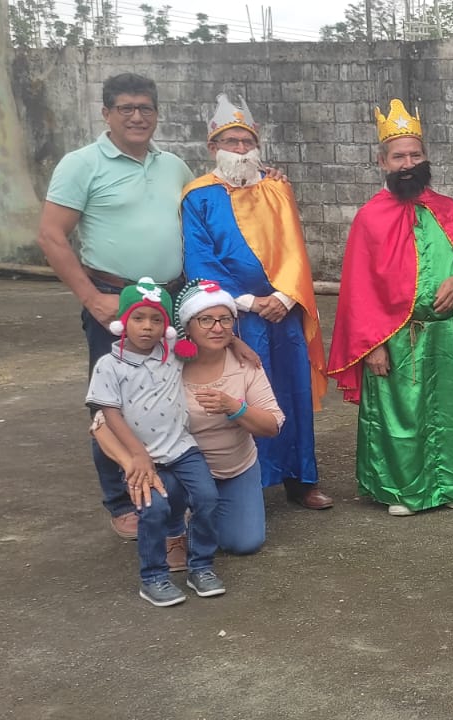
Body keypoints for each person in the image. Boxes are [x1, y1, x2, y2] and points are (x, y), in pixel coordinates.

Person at [37, 73, 197, 539]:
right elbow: (51, 235)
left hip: (171, 298)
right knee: (113, 402)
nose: (137, 117)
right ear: (106, 113)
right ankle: (123, 500)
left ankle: (175, 490)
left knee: (171, 394)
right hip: (114, 301)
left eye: (146, 108)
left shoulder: (174, 166)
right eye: (126, 108)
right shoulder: (81, 164)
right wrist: (91, 297)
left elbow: (210, 206)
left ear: (157, 114)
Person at [327, 99, 453, 515]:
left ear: (426, 157)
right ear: (382, 161)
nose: (408, 163)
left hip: (447, 335)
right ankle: (404, 492)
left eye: (415, 155)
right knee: (403, 419)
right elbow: (358, 291)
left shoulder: (447, 209)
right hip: (396, 338)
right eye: (399, 156)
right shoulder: (369, 219)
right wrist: (372, 346)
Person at [181, 93, 332, 511]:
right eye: (231, 141)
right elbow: (200, 259)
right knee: (238, 394)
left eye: (247, 141)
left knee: (291, 392)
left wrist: (284, 296)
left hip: (283, 311)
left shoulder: (277, 188)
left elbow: (295, 247)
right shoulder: (197, 196)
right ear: (213, 147)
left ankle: (301, 479)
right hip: (234, 315)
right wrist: (248, 301)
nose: (241, 149)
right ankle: (246, 483)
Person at [93, 280, 285, 560]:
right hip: (177, 468)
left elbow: (273, 425)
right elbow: (101, 423)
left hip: (232, 468)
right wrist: (132, 460)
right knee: (169, 488)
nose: (217, 327)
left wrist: (235, 408)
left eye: (225, 319)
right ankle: (176, 522)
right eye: (205, 319)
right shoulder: (164, 361)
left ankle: (198, 516)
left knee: (244, 542)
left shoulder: (245, 362)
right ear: (186, 326)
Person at [85, 279, 222, 607]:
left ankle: (201, 567)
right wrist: (137, 455)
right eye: (138, 318)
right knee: (154, 509)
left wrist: (241, 347)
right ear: (123, 321)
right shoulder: (110, 365)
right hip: (140, 456)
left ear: (166, 326)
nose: (147, 327)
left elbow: (211, 343)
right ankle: (153, 577)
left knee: (207, 498)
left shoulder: (174, 354)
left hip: (182, 448)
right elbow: (109, 413)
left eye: (156, 319)